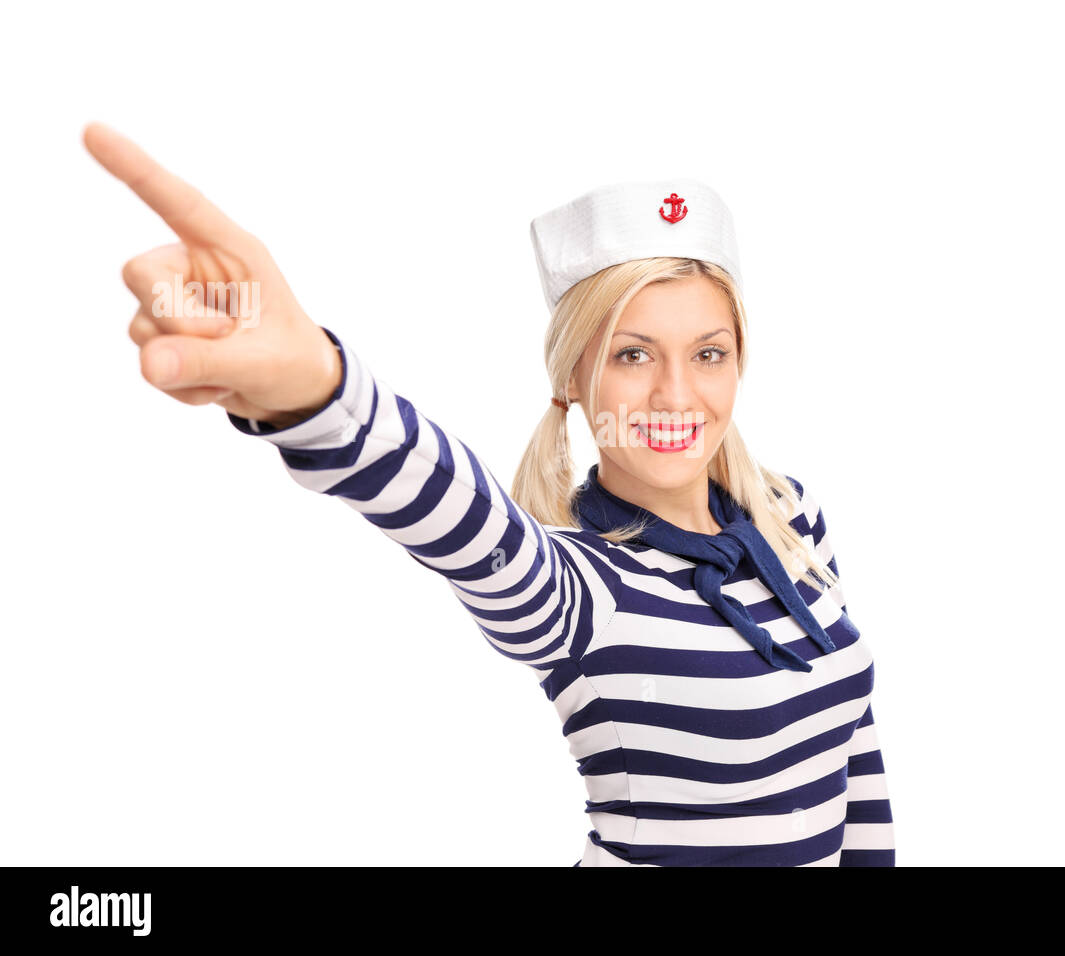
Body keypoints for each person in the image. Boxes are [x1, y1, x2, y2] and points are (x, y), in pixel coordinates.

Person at [83, 122, 896, 866]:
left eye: (709, 354)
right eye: (633, 355)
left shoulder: (791, 519)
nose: (676, 395)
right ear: (575, 377)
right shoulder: (581, 589)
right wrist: (322, 394)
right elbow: (471, 527)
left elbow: (854, 752)